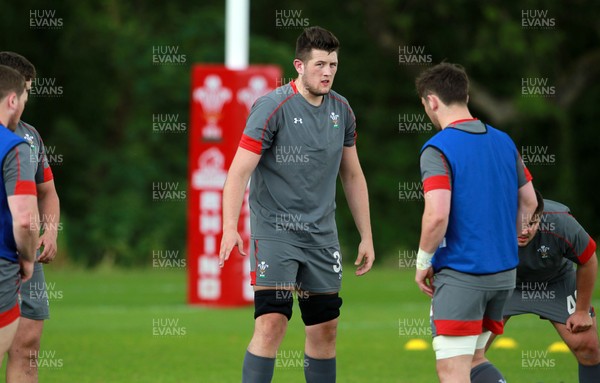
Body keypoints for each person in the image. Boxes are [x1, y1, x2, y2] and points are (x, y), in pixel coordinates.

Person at [219, 26, 374, 383]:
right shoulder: (272, 107)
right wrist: (229, 227)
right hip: (275, 232)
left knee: (325, 329)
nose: (328, 72)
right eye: (320, 64)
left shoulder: (342, 111)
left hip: (322, 236)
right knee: (272, 322)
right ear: (299, 66)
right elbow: (239, 172)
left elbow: (352, 176)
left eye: (333, 64)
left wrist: (366, 235)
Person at [413, 62, 537, 383]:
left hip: (463, 275)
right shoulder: (504, 141)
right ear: (466, 95)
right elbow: (530, 203)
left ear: (431, 101)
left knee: (452, 370)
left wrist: (423, 260)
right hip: (503, 276)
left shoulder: (437, 148)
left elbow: (437, 214)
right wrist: (505, 242)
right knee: (475, 359)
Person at [479, 190, 599, 382]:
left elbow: (588, 260)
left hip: (555, 281)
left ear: (540, 217)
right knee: (467, 352)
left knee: (587, 346)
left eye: (531, 224)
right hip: (504, 283)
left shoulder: (561, 223)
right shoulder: (485, 226)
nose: (525, 231)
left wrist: (582, 311)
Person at [0, 52, 60, 383]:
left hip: (27, 255)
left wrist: (49, 233)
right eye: (23, 91)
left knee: (27, 345)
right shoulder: (9, 143)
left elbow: (47, 192)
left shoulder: (29, 137)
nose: (24, 100)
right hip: (10, 255)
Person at [0, 64, 39, 366]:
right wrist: (27, 256)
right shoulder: (14, 146)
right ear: (12, 100)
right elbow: (24, 219)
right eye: (25, 95)